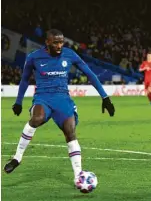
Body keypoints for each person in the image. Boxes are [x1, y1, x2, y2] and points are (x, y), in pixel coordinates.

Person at [3, 29, 115, 185]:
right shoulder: (34, 57)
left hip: (63, 99)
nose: (59, 45)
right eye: (56, 42)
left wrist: (105, 97)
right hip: (43, 97)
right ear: (47, 42)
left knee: (70, 131)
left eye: (61, 42)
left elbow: (90, 74)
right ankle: (17, 157)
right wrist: (18, 101)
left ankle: (78, 176)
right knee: (37, 118)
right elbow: (24, 80)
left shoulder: (69, 54)